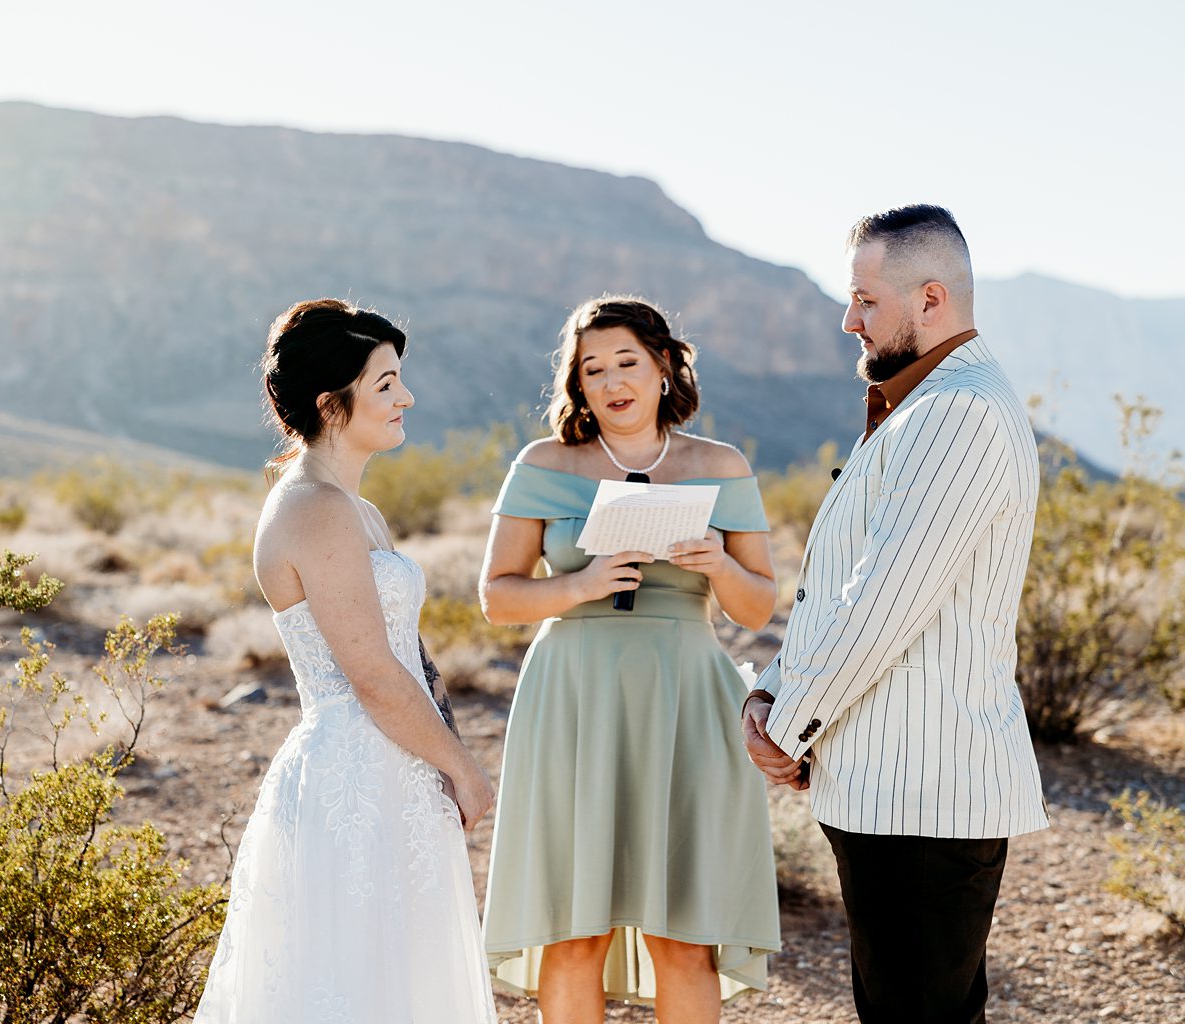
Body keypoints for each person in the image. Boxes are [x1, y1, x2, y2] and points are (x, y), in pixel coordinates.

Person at [741, 206, 1048, 1024]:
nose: (849, 319)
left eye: (866, 300)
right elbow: (841, 590)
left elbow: (880, 605)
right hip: (892, 786)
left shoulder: (957, 413)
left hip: (925, 792)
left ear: (932, 299)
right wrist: (772, 691)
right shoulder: (921, 406)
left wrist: (784, 724)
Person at [194, 298, 498, 1024]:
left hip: (399, 767)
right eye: (386, 384)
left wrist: (444, 757)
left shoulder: (357, 510)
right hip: (353, 778)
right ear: (333, 403)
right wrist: (465, 769)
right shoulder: (313, 509)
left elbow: (409, 656)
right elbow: (370, 674)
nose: (406, 398)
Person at [479, 296, 781, 1023]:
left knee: (684, 936)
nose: (612, 381)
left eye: (628, 363)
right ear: (576, 386)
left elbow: (759, 607)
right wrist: (579, 584)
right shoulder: (544, 463)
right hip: (574, 698)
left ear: (664, 368)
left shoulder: (719, 465)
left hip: (686, 700)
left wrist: (717, 563)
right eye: (593, 369)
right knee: (574, 932)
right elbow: (495, 597)